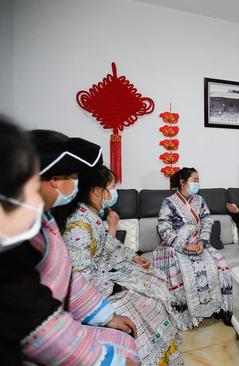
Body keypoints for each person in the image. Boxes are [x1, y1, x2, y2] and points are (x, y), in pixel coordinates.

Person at [0, 123, 138, 365]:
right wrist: (106, 361)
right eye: (72, 176)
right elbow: (38, 322)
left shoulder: (44, 220)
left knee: (126, 342)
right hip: (28, 341)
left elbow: (67, 277)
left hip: (49, 317)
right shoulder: (15, 239)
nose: (76, 183)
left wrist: (107, 316)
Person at [55, 165, 182, 365]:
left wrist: (133, 257)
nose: (115, 193)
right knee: (147, 296)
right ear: (98, 190)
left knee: (155, 276)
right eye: (113, 186)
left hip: (104, 274)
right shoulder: (78, 224)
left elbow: (107, 246)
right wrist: (116, 286)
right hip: (95, 289)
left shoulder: (91, 215)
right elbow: (80, 276)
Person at [154, 167, 233, 329]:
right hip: (176, 245)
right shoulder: (169, 202)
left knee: (220, 264)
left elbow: (207, 221)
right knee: (185, 269)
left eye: (198, 180)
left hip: (199, 242)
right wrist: (184, 245)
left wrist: (203, 241)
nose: (197, 183)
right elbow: (164, 228)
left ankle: (221, 308)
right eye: (194, 180)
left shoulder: (200, 200)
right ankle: (187, 313)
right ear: (183, 183)